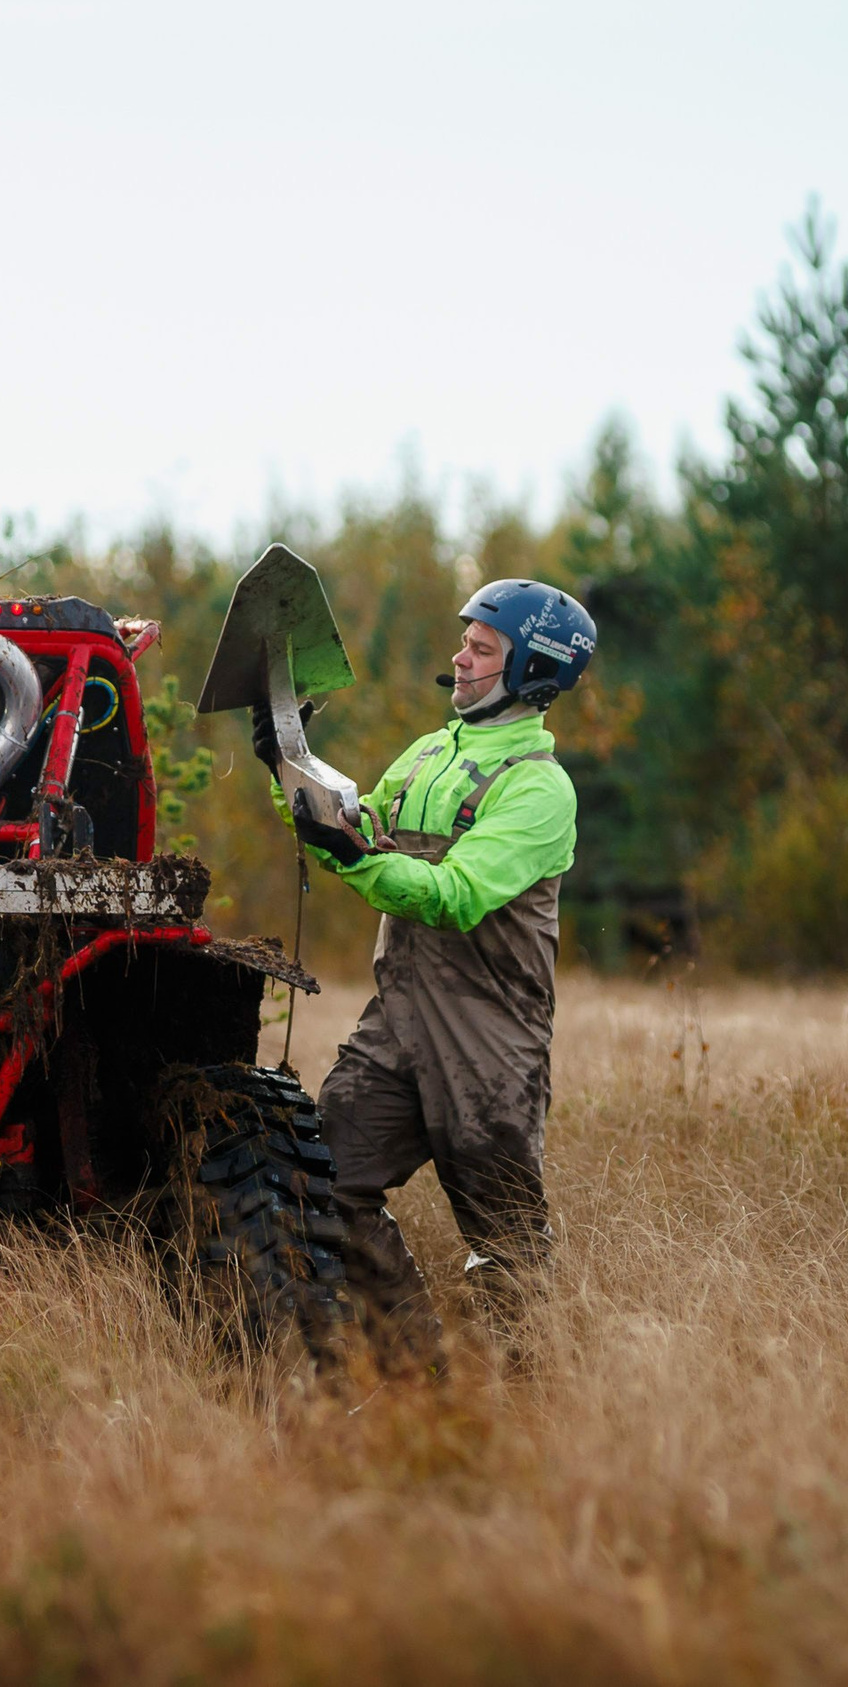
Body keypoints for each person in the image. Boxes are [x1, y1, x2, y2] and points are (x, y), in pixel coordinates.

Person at [252, 578, 596, 1358]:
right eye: (463, 641)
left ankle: (531, 1401)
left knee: (505, 1245)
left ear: (531, 670)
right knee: (326, 1183)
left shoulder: (541, 789)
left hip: (490, 1044)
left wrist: (354, 859)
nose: (460, 657)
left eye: (482, 648)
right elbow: (353, 824)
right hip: (397, 1024)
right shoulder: (429, 753)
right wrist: (287, 767)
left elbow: (456, 896)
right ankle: (417, 1370)